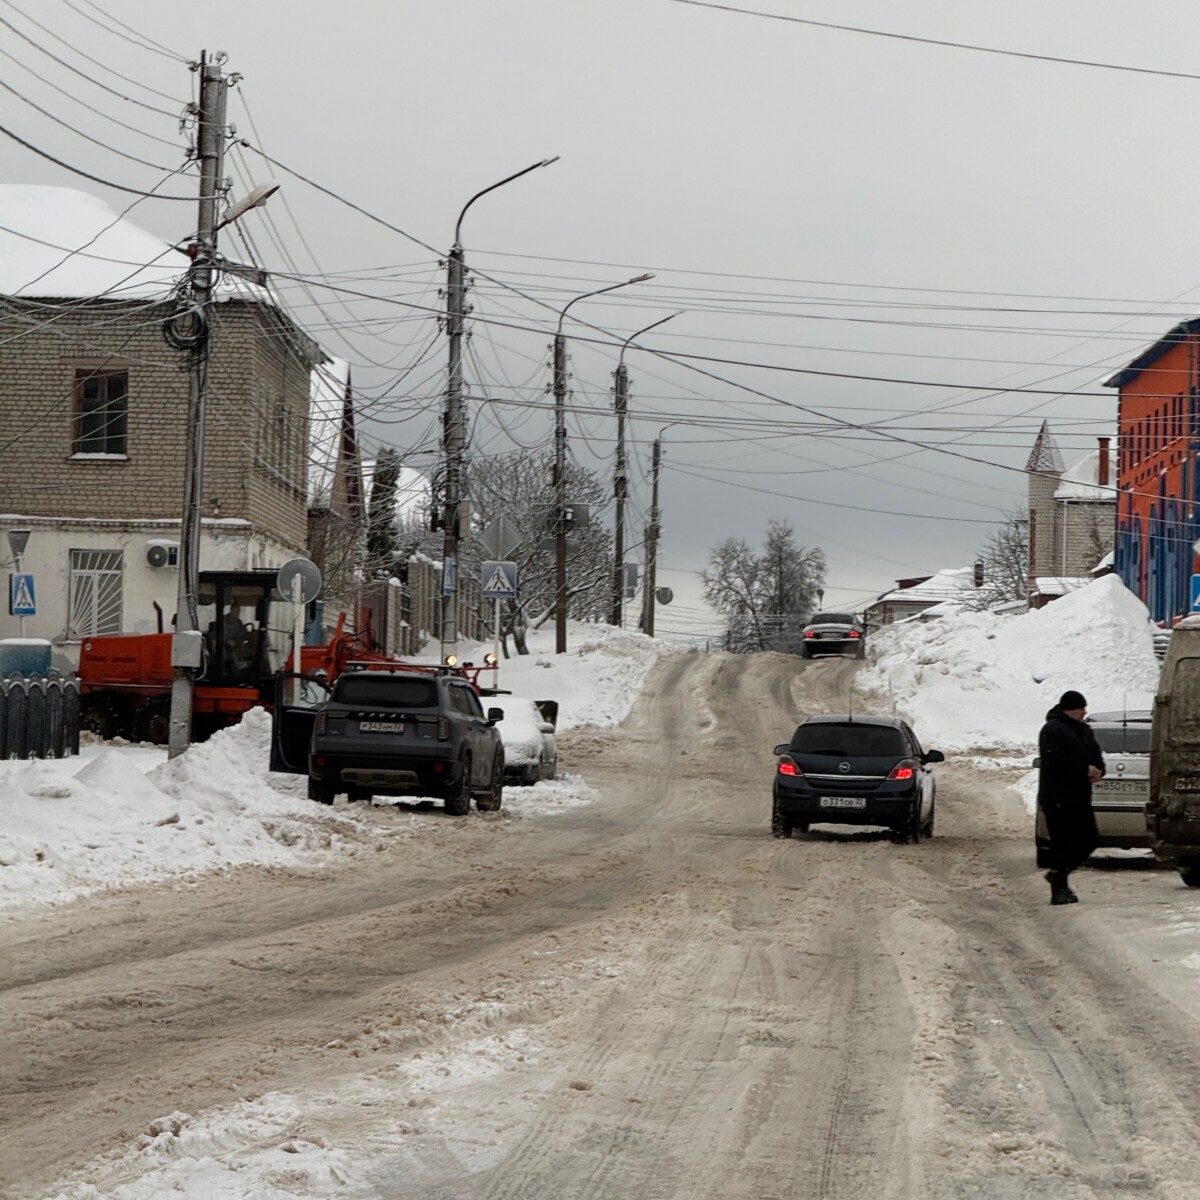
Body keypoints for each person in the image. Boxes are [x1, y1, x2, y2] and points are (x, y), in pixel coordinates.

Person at [1037, 689, 1105, 905]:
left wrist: (1098, 770)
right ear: (1069, 709)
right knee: (1062, 842)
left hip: (1080, 795)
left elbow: (1096, 754)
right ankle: (1059, 887)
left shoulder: (1084, 730)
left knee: (1089, 839)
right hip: (1057, 795)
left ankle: (1058, 873)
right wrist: (1083, 770)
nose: (1084, 712)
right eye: (1080, 708)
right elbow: (1055, 760)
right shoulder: (1052, 729)